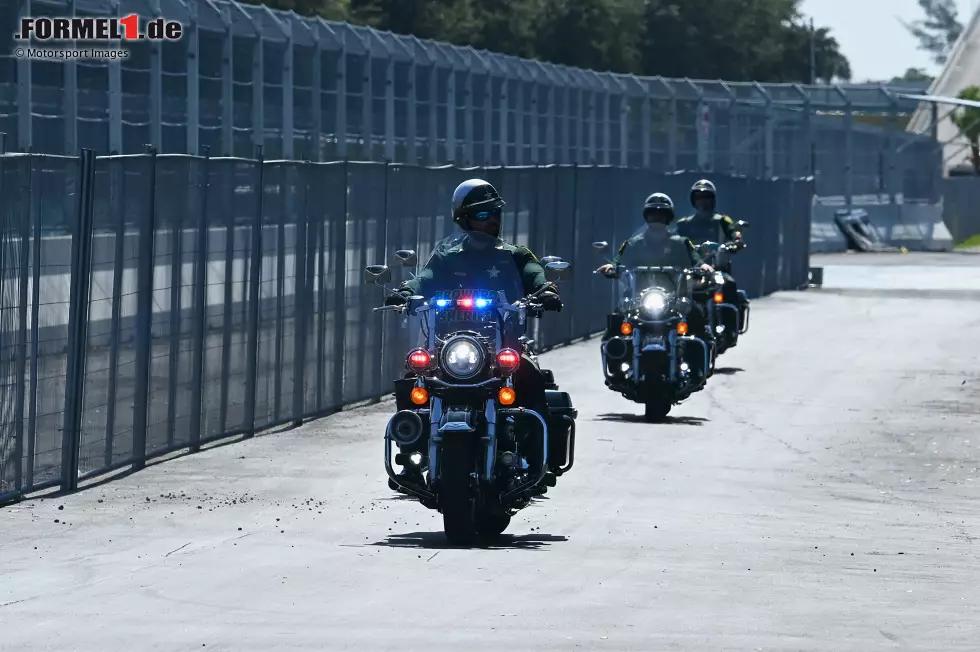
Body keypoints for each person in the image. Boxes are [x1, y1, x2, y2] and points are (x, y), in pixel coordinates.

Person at [383, 178, 566, 484]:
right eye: (483, 214)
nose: (492, 219)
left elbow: (535, 274)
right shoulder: (446, 256)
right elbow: (425, 278)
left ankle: (538, 461)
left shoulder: (515, 254)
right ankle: (411, 457)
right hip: (448, 347)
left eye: (495, 212)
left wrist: (546, 290)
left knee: (531, 376)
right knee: (411, 378)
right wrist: (405, 292)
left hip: (502, 347)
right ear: (463, 218)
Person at [596, 192, 714, 378]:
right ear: (646, 216)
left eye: (661, 214)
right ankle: (616, 365)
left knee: (697, 318)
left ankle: (700, 365)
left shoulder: (681, 243)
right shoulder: (633, 243)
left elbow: (696, 259)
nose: (657, 217)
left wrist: (703, 266)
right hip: (639, 298)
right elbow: (618, 260)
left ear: (668, 217)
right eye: (653, 214)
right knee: (617, 321)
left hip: (673, 298)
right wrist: (612, 266)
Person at [673, 179, 746, 330]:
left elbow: (734, 232)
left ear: (712, 200)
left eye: (706, 197)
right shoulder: (684, 224)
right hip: (691, 271)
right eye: (699, 198)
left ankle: (731, 328)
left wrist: (736, 241)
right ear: (693, 200)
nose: (702, 202)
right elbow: (672, 240)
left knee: (729, 284)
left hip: (717, 269)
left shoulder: (722, 221)